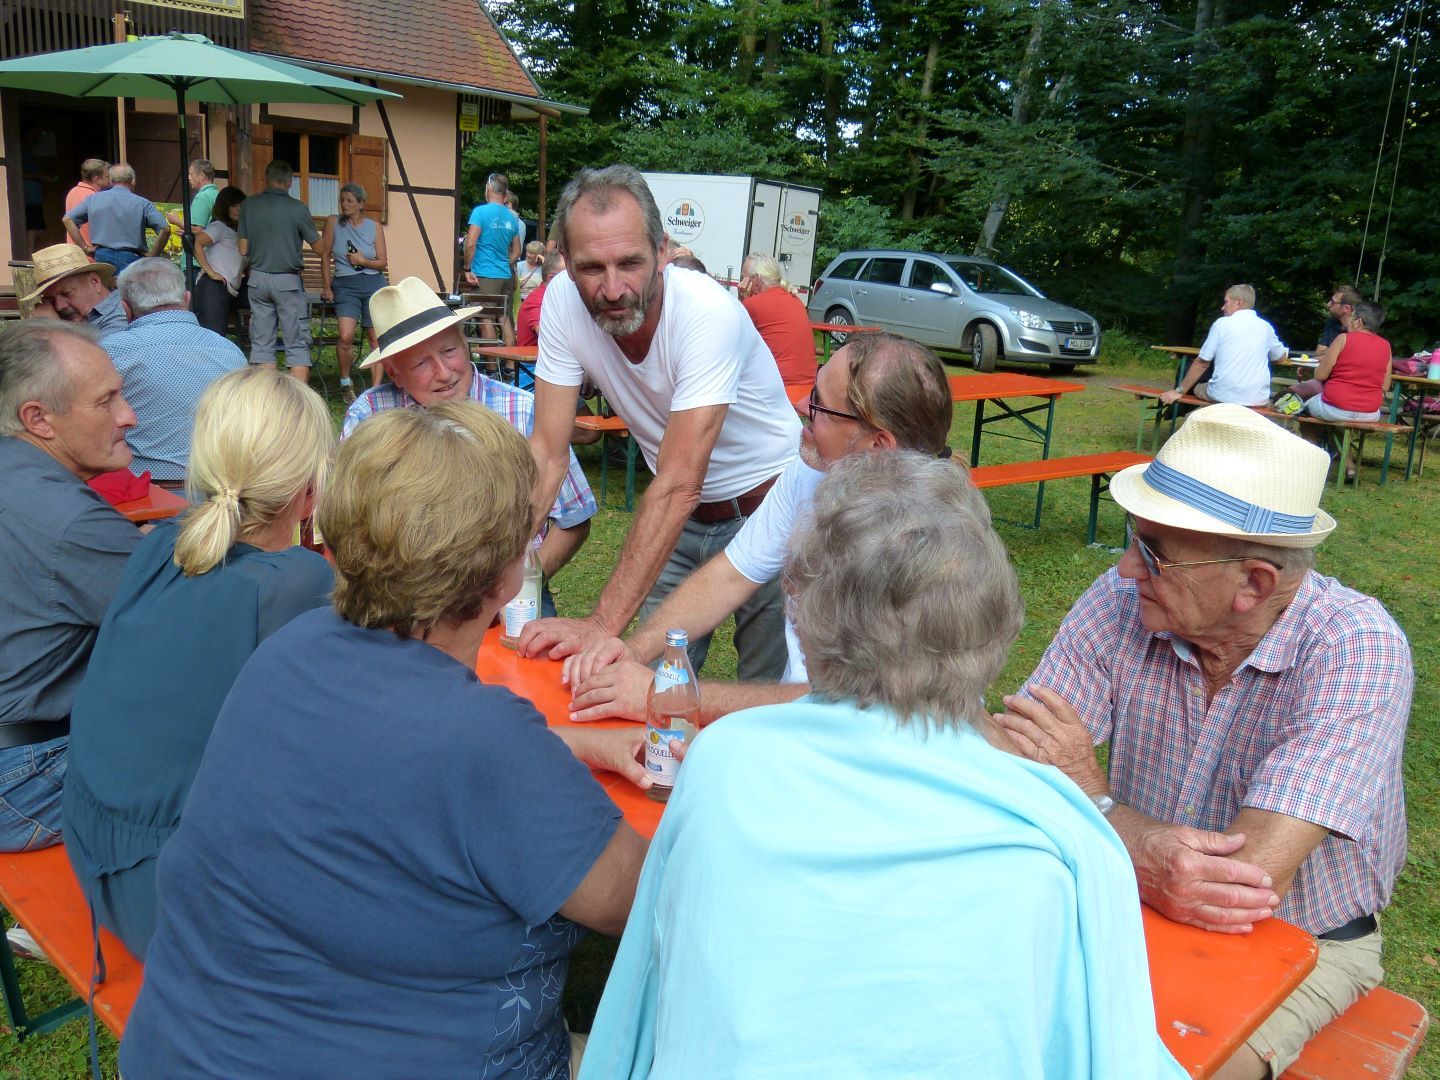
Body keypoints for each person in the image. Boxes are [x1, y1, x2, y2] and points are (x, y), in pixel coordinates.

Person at [579, 452, 1185, 1080]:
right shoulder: (1064, 845)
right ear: (991, 625)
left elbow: (650, 993)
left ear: (805, 620)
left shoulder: (723, 765)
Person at [121, 402, 649, 1078]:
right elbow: (631, 897)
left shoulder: (290, 652)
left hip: (185, 1052)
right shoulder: (483, 741)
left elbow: (400, 757)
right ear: (508, 575)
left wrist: (566, 746)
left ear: (335, 542)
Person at [992, 404, 1411, 1080]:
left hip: (1299, 941)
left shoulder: (1354, 646)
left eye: (1153, 551)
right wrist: (1131, 841)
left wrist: (1091, 800)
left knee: (1159, 1069)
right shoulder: (1125, 597)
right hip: (1121, 896)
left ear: (1254, 583)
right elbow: (1013, 758)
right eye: (1134, 538)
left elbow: (1242, 881)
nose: (1127, 568)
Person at [63, 367, 334, 956]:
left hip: (95, 853)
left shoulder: (159, 544)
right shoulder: (295, 581)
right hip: (180, 902)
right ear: (309, 488)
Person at [565, 333, 953, 725]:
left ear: (877, 447)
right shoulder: (814, 470)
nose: (800, 406)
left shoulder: (929, 547)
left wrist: (663, 694)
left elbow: (850, 705)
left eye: (819, 404)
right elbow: (730, 576)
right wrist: (633, 651)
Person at [521, 164, 800, 681]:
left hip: (770, 510)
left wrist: (602, 623)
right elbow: (546, 452)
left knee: (762, 698)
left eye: (630, 263)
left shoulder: (706, 314)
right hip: (682, 518)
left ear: (664, 249)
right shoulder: (561, 303)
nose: (611, 288)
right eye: (590, 268)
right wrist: (501, 568)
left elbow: (677, 484)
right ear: (563, 258)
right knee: (652, 689)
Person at [343, 277, 596, 615]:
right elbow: (348, 525)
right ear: (393, 372)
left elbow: (575, 519)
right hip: (404, 601)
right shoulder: (370, 416)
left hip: (513, 597)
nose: (444, 372)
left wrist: (520, 584)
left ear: (465, 342)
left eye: (449, 351)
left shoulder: (523, 412)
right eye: (420, 364)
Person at [0, 320, 141, 851]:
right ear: (39, 420)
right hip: (24, 776)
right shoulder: (71, 523)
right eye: (106, 401)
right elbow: (191, 626)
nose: (128, 416)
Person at [103, 258, 247, 484]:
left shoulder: (110, 352)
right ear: (187, 299)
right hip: (220, 491)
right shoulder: (231, 352)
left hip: (141, 496)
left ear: (125, 308)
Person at [1278, 301, 1392, 482]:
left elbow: (1321, 374)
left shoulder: (1344, 339)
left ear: (1359, 322)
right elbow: (1385, 386)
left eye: (1352, 318)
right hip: (1370, 412)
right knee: (1337, 424)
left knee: (1305, 411)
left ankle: (1312, 463)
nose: (1349, 322)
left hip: (1336, 406)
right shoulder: (1385, 346)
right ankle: (1349, 467)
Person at [238, 159, 321, 382]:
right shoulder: (298, 208)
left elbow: (243, 248)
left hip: (257, 279)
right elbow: (319, 247)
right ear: (290, 182)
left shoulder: (249, 205)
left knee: (263, 344)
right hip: (287, 281)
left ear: (266, 178)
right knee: (297, 342)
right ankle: (295, 404)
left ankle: (270, 404)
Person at [1160, 284, 1286, 408]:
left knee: (1198, 387)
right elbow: (1280, 356)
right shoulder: (1265, 327)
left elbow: (1202, 362)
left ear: (1238, 303)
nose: (1222, 307)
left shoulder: (1222, 324)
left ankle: (1199, 419)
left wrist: (1179, 391)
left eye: (1226, 302)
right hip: (1257, 398)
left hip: (1224, 395)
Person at [320, 181, 388, 403]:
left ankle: (375, 391)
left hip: (372, 284)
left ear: (361, 204)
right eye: (342, 200)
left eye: (349, 201)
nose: (344, 204)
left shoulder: (374, 227)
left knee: (375, 339)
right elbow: (325, 255)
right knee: (346, 335)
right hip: (346, 285)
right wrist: (327, 286)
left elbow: (382, 262)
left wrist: (362, 260)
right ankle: (346, 383)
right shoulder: (333, 222)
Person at [63, 162, 170, 274]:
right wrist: (153, 255)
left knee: (106, 290)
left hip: (102, 257)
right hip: (131, 258)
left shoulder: (93, 199)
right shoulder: (143, 203)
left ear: (111, 181)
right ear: (133, 181)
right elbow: (165, 229)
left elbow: (68, 220)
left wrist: (85, 248)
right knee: (130, 290)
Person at [737, 252, 817, 386]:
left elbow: (735, 341)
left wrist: (742, 300)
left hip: (781, 385)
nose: (741, 283)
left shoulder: (754, 304)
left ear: (756, 279)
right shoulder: (795, 300)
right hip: (809, 384)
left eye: (744, 278)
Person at [463, 171, 522, 344]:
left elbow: (470, 244)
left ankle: (491, 367)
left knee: (485, 318)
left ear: (488, 188)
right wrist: (503, 263)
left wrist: (467, 269)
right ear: (505, 193)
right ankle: (511, 366)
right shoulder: (511, 217)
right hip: (506, 275)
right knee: (504, 318)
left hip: (485, 275)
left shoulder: (480, 212)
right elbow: (517, 251)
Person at [20, 243, 126, 337]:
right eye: (50, 300)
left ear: (94, 281)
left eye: (66, 293)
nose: (59, 306)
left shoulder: (121, 318)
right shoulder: (73, 321)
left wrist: (53, 329)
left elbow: (91, 358)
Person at [190, 186, 247, 337]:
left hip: (231, 289)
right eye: (234, 205)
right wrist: (210, 271)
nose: (239, 209)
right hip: (213, 286)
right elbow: (196, 242)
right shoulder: (219, 227)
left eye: (242, 205)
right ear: (225, 207)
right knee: (213, 337)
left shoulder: (241, 234)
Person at [164, 158, 219, 273]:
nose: (189, 178)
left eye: (191, 174)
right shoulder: (217, 194)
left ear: (202, 176)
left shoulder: (202, 197)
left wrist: (176, 221)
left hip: (197, 261)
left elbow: (198, 229)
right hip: (212, 258)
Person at [516, 249, 564, 348]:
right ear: (551, 278)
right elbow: (547, 336)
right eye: (567, 274)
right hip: (533, 361)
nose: (574, 277)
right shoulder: (537, 300)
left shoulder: (557, 296)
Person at [64, 158, 111, 248]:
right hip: (91, 254)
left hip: (74, 252)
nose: (110, 180)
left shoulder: (72, 191)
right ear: (97, 179)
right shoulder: (94, 197)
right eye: (107, 177)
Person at [1316, 283, 1362, 355]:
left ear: (1346, 308)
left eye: (1333, 302)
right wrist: (1338, 349)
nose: (1328, 304)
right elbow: (1318, 353)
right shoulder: (1332, 322)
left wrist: (1330, 351)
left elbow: (1352, 356)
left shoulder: (1359, 328)